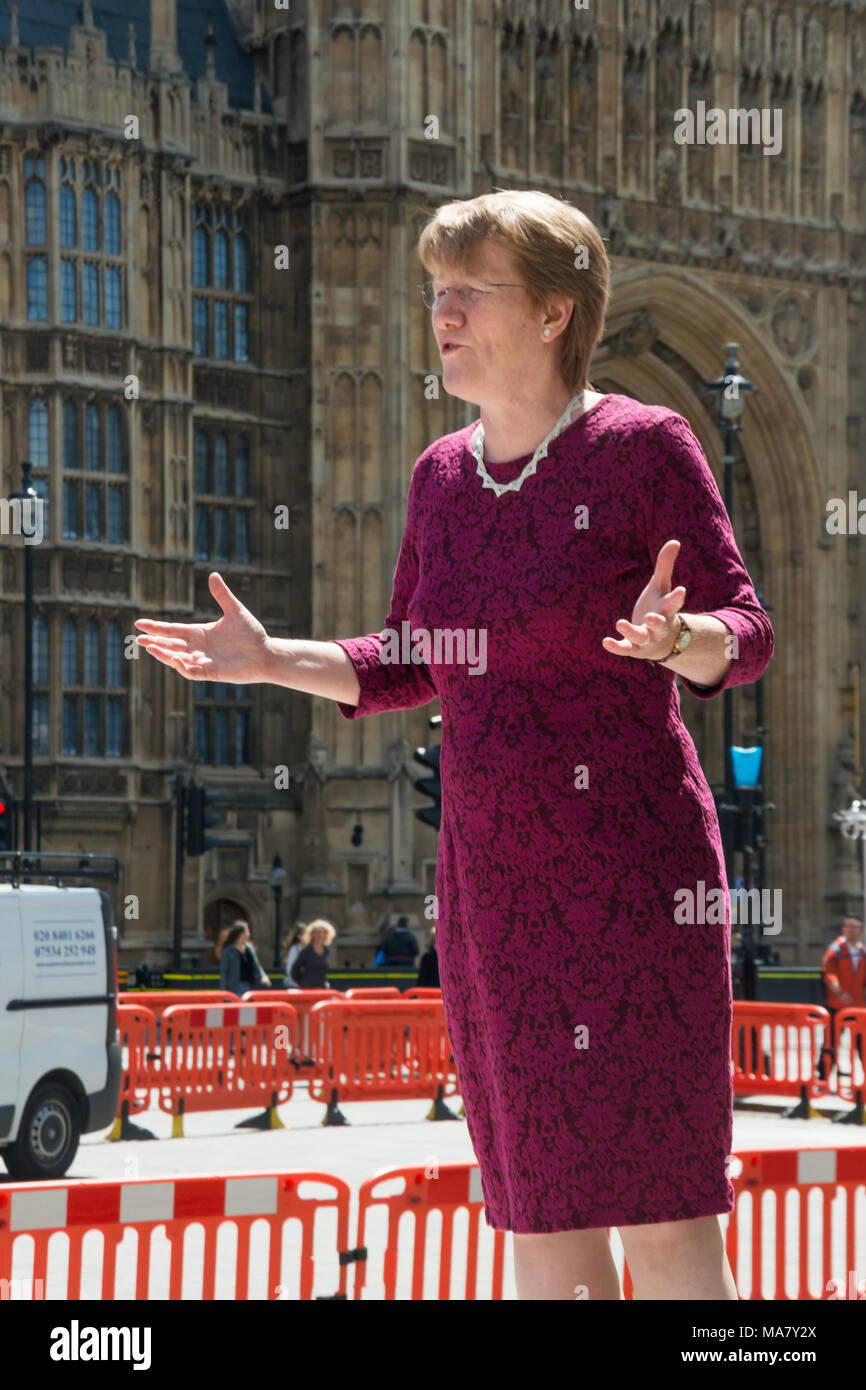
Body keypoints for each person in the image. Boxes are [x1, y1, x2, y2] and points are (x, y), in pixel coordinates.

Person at [134, 188, 774, 1301]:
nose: (443, 312)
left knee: (665, 1226)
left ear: (553, 314)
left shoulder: (643, 447)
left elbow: (747, 631)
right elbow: (408, 655)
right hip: (496, 897)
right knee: (537, 1223)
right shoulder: (440, 479)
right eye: (436, 290)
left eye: (470, 291)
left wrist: (686, 638)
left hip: (631, 882)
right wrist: (269, 655)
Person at [817, 915, 865, 1081]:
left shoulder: (862, 951)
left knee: (862, 1044)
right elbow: (829, 974)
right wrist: (839, 993)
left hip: (857, 1006)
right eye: (849, 927)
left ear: (860, 930)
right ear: (843, 929)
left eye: (855, 927)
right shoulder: (836, 949)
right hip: (836, 1004)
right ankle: (823, 1078)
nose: (852, 930)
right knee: (830, 1043)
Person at [215, 920, 270, 999]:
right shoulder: (228, 951)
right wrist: (224, 993)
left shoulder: (249, 948)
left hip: (250, 987)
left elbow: (257, 966)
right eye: (247, 931)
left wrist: (264, 977)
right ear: (241, 933)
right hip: (235, 988)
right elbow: (224, 972)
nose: (249, 934)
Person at [289, 919, 335, 989]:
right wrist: (302, 983)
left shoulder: (326, 951)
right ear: (312, 934)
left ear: (326, 935)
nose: (319, 935)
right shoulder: (307, 950)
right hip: (307, 988)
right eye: (316, 932)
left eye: (322, 932)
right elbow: (294, 969)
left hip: (322, 988)